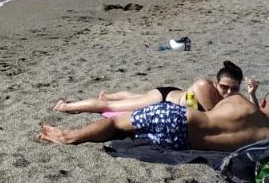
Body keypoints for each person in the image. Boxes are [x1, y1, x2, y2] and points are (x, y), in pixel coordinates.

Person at [38, 89, 269, 151]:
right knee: (127, 130)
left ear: (265, 103)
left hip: (179, 119)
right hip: (182, 144)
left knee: (117, 122)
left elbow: (214, 109)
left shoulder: (241, 103)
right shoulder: (265, 138)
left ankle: (69, 136)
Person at [52, 62, 249, 114]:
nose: (229, 93)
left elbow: (251, 111)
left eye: (234, 89)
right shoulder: (204, 86)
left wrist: (253, 95)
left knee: (136, 96)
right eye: (224, 87)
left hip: (172, 94)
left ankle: (109, 94)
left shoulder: (230, 97)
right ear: (216, 83)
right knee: (110, 108)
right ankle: (65, 106)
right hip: (163, 99)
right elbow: (213, 116)